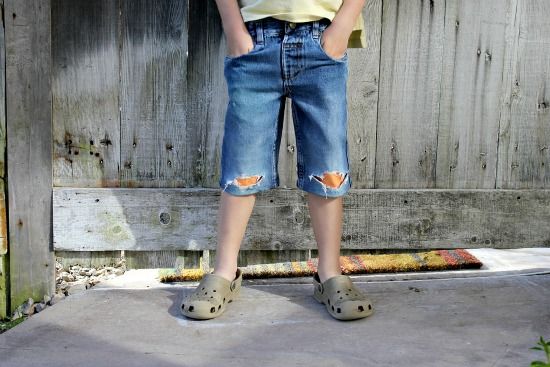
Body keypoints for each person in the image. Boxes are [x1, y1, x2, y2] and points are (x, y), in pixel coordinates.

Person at [180, 0, 373, 321]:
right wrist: (232, 25)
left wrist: (343, 25)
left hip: (321, 40)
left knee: (328, 166)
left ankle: (330, 273)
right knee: (242, 164)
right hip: (255, 41)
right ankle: (224, 272)